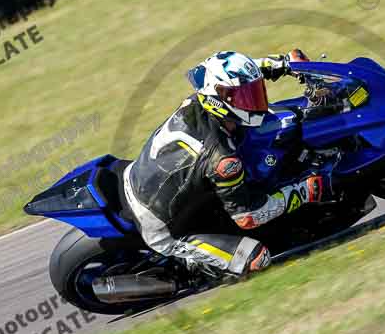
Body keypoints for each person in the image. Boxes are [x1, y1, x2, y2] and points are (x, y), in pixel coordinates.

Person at [121, 49, 330, 280]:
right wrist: (303, 191)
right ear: (219, 100)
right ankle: (189, 265)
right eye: (244, 97)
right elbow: (248, 216)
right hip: (161, 227)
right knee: (256, 258)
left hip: (145, 180)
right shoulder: (223, 160)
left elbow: (237, 76)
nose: (253, 101)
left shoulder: (202, 98)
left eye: (253, 93)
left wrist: (284, 64)